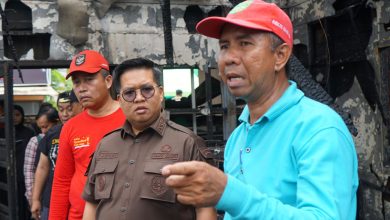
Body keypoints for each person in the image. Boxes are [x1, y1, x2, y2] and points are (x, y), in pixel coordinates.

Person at [162, 1, 359, 219]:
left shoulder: (319, 129)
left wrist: (231, 194)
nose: (228, 58)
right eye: (224, 46)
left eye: (245, 43)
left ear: (280, 56)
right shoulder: (239, 136)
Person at [82, 58, 216, 220]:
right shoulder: (106, 145)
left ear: (160, 94)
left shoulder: (187, 143)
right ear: (120, 101)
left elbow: (205, 209)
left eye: (147, 90)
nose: (139, 98)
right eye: (129, 93)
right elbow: (92, 204)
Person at [50, 50, 125, 220]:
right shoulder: (70, 127)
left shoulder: (131, 117)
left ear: (107, 81)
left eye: (89, 80)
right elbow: (62, 181)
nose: (82, 88)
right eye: (76, 83)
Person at [31, 90, 83, 220]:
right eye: (61, 109)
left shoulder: (86, 131)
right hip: (52, 199)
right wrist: (36, 198)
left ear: (80, 107)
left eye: (69, 109)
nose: (65, 114)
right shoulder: (52, 133)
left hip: (80, 200)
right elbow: (42, 167)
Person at [24, 107, 59, 205]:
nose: (43, 131)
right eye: (40, 127)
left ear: (57, 122)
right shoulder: (35, 141)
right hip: (42, 193)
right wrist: (32, 196)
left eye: (46, 126)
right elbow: (29, 171)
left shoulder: (64, 137)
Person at [14, 105, 36, 220]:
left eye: (17, 115)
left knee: (24, 205)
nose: (14, 118)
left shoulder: (29, 132)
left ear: (22, 116)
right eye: (12, 115)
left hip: (24, 176)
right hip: (8, 176)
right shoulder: (3, 132)